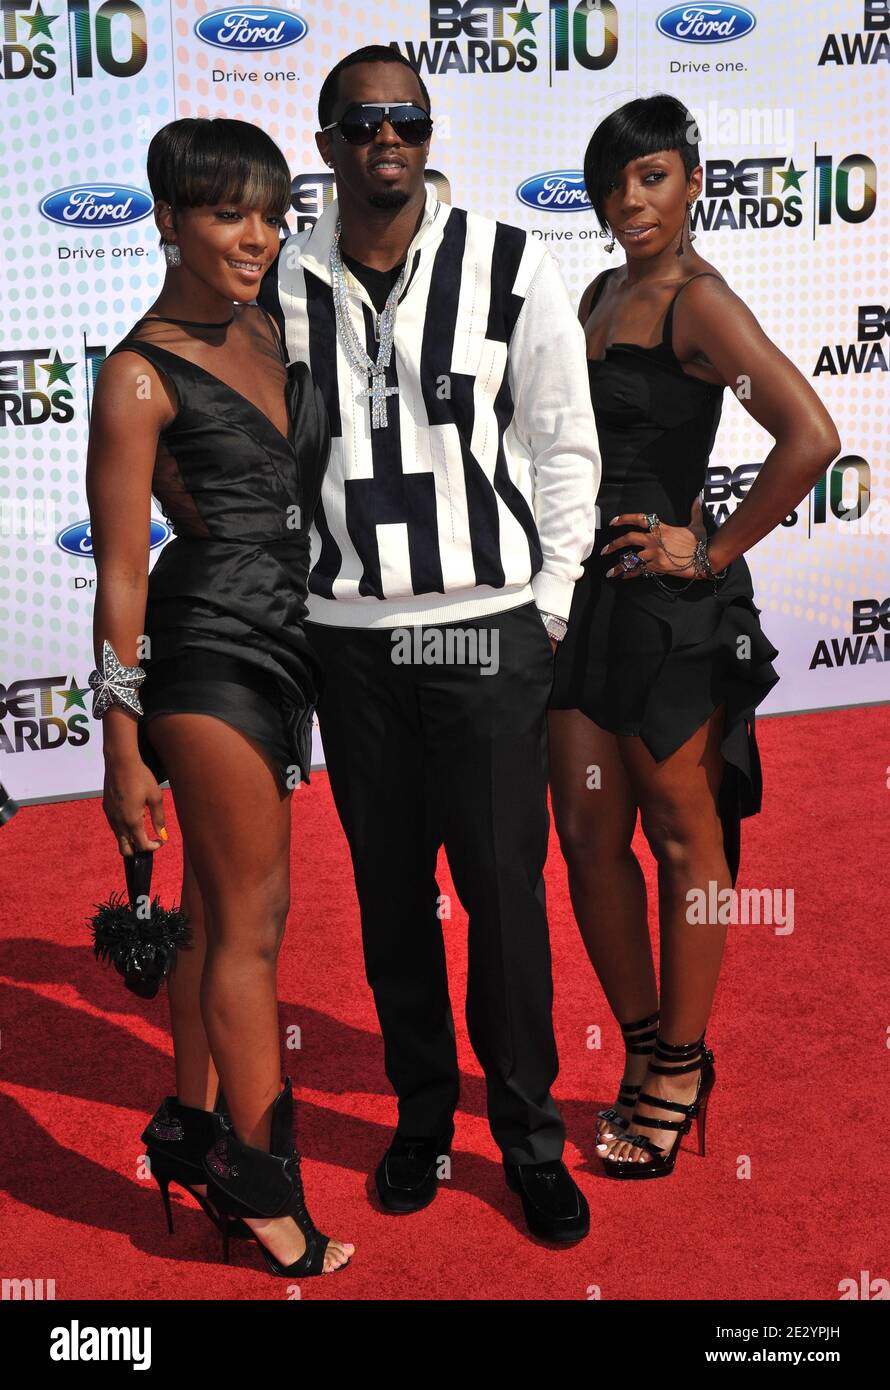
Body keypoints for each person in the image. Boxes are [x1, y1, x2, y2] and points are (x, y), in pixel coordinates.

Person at [260, 45, 600, 1243]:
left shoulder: (509, 261)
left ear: (429, 128)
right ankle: (420, 1116)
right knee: (390, 895)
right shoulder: (282, 278)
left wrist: (547, 603)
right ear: (325, 143)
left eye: (404, 118)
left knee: (505, 897)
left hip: (483, 633)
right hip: (348, 641)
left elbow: (563, 442)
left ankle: (527, 1134)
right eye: (359, 124)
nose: (383, 140)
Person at [548, 94, 842, 1176]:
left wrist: (707, 552)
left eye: (653, 177)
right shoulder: (594, 292)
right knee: (585, 840)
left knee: (683, 842)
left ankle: (680, 1063)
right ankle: (637, 1045)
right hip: (581, 602)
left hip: (666, 613)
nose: (630, 199)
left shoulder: (695, 301)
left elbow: (809, 434)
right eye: (614, 180)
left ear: (690, 185)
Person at [86, 116, 354, 1274]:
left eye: (266, 211)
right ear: (166, 220)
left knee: (211, 917)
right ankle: (265, 1191)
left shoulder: (264, 322)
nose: (256, 235)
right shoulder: (137, 373)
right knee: (252, 927)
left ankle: (191, 1132)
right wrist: (118, 745)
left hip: (283, 647)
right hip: (206, 657)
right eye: (225, 212)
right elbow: (120, 574)